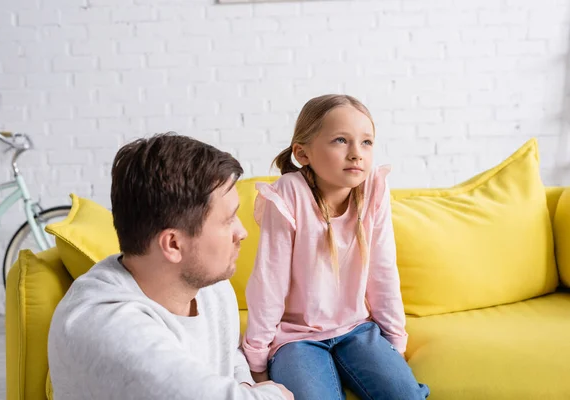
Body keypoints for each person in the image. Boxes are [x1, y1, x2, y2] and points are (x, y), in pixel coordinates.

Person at [48, 133, 293, 400]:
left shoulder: (208, 286)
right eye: (228, 220)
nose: (242, 232)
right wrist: (276, 393)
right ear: (173, 245)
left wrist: (244, 384)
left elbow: (229, 354)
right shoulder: (109, 330)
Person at [242, 94, 430, 400]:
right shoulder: (288, 195)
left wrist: (395, 342)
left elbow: (383, 272)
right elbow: (269, 282)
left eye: (366, 142)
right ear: (303, 153)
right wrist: (257, 358)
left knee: (406, 396)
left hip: (357, 329)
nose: (357, 154)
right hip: (295, 339)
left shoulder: (372, 191)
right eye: (341, 140)